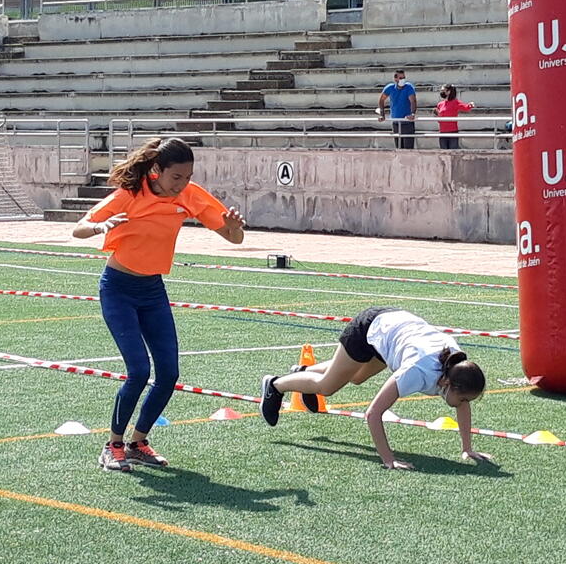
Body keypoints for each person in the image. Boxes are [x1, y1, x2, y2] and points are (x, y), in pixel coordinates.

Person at [72, 137, 247, 472]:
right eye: (176, 177)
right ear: (156, 171)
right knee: (138, 370)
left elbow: (232, 237)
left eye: (188, 177)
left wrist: (235, 228)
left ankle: (138, 443)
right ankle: (113, 445)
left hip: (153, 290)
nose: (182, 184)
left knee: (168, 373)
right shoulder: (130, 194)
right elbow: (79, 229)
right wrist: (99, 226)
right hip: (119, 289)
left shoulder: (190, 195)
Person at [258, 307, 491, 471]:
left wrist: (467, 449)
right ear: (448, 383)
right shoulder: (417, 372)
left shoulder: (456, 366)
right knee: (327, 387)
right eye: (462, 399)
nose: (463, 405)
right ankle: (277, 384)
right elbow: (373, 414)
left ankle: (306, 371)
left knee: (356, 377)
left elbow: (462, 405)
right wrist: (389, 459)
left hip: (392, 331)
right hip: (369, 328)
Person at [378, 70, 418, 149]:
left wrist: (412, 114)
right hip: (396, 122)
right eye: (400, 78)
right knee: (398, 148)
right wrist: (382, 114)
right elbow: (381, 100)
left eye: (404, 77)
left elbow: (413, 101)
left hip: (407, 122)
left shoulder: (408, 87)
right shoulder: (390, 88)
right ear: (395, 79)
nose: (403, 80)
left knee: (408, 149)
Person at [434, 85, 476, 150]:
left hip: (452, 131)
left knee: (453, 152)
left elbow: (465, 107)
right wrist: (437, 115)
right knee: (443, 152)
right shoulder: (440, 104)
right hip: (442, 132)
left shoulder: (455, 102)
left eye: (443, 91)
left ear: (449, 92)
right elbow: (440, 120)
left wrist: (470, 105)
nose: (441, 92)